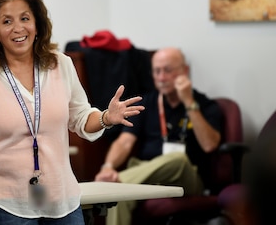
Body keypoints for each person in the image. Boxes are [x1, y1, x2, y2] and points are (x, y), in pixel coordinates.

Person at [0, 0, 145, 225]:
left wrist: (105, 118)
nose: (18, 28)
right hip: (5, 202)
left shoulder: (61, 64)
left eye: (25, 18)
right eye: (7, 21)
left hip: (61, 198)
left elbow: (81, 118)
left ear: (38, 24)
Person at [94, 47, 222, 225]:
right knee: (120, 198)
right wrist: (108, 167)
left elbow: (210, 145)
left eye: (168, 70)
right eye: (157, 71)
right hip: (147, 175)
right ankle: (118, 185)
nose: (161, 77)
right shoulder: (146, 102)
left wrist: (189, 103)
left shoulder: (205, 105)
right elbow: (124, 142)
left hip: (186, 179)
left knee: (177, 159)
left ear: (184, 71)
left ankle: (118, 183)